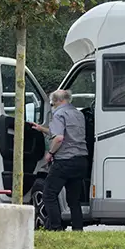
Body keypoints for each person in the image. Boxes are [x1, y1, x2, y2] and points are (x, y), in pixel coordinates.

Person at [30, 89, 87, 231]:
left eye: (52, 103)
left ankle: (56, 228)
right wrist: (42, 129)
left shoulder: (59, 114)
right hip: (81, 160)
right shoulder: (78, 114)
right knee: (74, 200)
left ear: (58, 101)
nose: (53, 105)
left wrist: (50, 153)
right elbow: (65, 133)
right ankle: (78, 230)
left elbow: (59, 138)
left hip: (64, 161)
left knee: (49, 194)